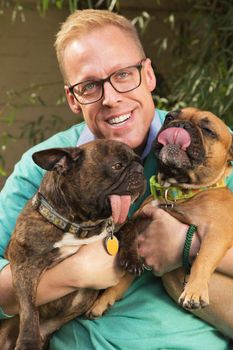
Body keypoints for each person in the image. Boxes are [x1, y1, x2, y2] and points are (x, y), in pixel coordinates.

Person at [0, 9, 233, 350]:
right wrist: (74, 273)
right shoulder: (44, 167)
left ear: (148, 74)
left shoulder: (215, 153)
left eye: (123, 74)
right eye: (90, 85)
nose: (111, 98)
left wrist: (186, 246)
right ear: (72, 98)